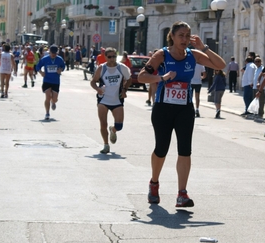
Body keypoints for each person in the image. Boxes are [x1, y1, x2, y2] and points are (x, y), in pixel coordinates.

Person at [137, 21, 226, 207]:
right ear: (172, 36)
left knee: (185, 150)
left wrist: (205, 47)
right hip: (163, 108)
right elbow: (142, 77)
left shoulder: (193, 55)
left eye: (187, 35)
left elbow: (221, 65)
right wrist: (161, 78)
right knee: (161, 148)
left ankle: (182, 194)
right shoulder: (162, 55)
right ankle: (154, 183)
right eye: (181, 35)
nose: (185, 39)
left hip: (184, 109)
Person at [90, 47, 131, 154]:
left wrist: (124, 89)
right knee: (103, 124)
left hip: (117, 100)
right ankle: (106, 145)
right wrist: (97, 89)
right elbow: (93, 81)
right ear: (105, 57)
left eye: (114, 56)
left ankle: (113, 130)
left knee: (119, 126)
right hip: (103, 99)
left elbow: (129, 79)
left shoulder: (122, 68)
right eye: (110, 57)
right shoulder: (101, 68)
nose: (112, 59)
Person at [35, 45, 65, 120]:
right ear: (49, 52)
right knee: (47, 97)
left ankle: (53, 102)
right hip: (47, 80)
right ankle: (47, 113)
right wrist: (41, 72)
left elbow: (63, 66)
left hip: (55, 81)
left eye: (55, 53)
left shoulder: (59, 59)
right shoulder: (45, 59)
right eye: (52, 53)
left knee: (55, 99)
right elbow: (37, 66)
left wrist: (60, 69)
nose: (54, 55)